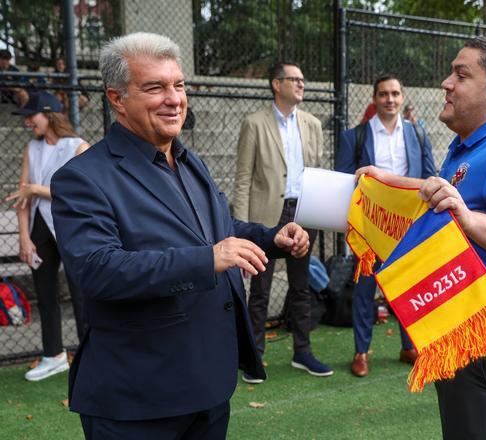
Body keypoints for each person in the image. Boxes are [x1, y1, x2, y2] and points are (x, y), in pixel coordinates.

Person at [49, 32, 310, 439]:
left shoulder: (190, 162)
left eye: (179, 85)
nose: (174, 98)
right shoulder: (82, 178)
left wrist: (272, 239)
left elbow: (220, 232)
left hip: (207, 387)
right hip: (137, 400)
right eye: (154, 87)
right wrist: (207, 259)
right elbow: (97, 270)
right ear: (117, 98)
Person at [357, 37, 486, 439]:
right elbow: (451, 199)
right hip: (475, 335)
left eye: (461, 75)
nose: (446, 83)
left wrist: (467, 220)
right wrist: (393, 181)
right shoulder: (472, 145)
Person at [232, 62, 332, 382]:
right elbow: (244, 178)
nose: (302, 84)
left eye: (304, 79)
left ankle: (303, 352)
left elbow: (318, 172)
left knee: (302, 287)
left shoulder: (312, 124)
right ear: (277, 84)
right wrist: (241, 226)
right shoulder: (254, 123)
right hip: (266, 216)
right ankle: (254, 357)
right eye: (295, 80)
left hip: (305, 214)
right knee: (259, 290)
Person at [336, 74, 436, 378]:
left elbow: (431, 177)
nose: (389, 99)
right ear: (374, 98)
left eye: (395, 93)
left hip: (409, 227)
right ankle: (361, 352)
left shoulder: (417, 134)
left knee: (409, 289)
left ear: (402, 97)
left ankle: (409, 346)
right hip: (370, 227)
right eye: (383, 94)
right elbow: (343, 183)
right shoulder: (355, 137)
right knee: (364, 290)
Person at [4, 92, 88, 381]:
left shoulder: (78, 147)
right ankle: (54, 356)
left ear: (49, 113)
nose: (28, 122)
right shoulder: (31, 148)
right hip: (40, 227)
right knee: (45, 292)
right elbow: (21, 197)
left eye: (32, 116)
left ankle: (91, 356)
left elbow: (85, 195)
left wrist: (38, 190)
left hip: (72, 227)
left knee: (82, 293)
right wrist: (24, 238)